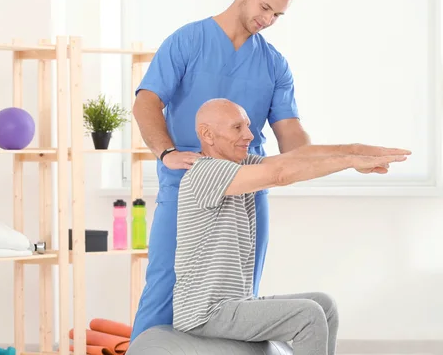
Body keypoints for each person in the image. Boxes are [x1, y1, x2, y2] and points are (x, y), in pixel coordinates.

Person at [131, 0, 308, 341]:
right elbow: (146, 102)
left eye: (277, 15)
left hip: (245, 191)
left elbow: (290, 130)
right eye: (265, 8)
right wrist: (166, 153)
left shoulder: (274, 63)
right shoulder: (187, 41)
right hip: (187, 183)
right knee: (163, 286)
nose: (269, 20)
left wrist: (319, 161)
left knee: (242, 294)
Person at [172, 98, 410, 355]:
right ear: (207, 134)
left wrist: (356, 150)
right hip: (205, 312)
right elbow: (281, 174)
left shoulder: (240, 166)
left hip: (233, 303)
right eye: (237, 127)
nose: (249, 135)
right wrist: (350, 161)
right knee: (307, 315)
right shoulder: (204, 172)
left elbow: (297, 158)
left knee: (324, 304)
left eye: (248, 126)